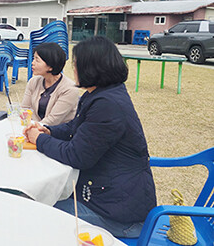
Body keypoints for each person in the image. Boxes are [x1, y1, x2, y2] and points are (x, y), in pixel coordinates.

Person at [23, 36, 156, 238]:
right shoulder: (100, 94)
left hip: (118, 216)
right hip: (107, 197)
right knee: (40, 197)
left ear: (91, 68)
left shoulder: (107, 105)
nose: (73, 70)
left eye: (76, 64)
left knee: (36, 208)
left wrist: (39, 139)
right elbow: (74, 127)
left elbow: (76, 156)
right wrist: (48, 131)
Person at [21, 42, 79, 126]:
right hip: (34, 129)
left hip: (57, 134)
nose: (32, 63)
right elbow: (25, 108)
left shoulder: (70, 89)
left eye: (37, 60)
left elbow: (53, 120)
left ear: (50, 66)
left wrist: (35, 130)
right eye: (33, 59)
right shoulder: (33, 82)